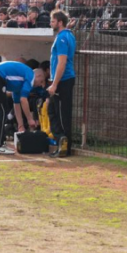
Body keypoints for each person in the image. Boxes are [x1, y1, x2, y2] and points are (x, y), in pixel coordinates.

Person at [0, 60, 42, 155]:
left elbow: (17, 103)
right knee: (2, 111)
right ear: (38, 76)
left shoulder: (19, 83)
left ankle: (1, 144)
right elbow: (24, 100)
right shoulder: (30, 75)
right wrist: (30, 119)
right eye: (41, 81)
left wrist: (21, 125)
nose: (40, 84)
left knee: (0, 110)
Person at [47, 10, 76, 158]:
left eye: (52, 21)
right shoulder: (68, 35)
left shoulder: (62, 38)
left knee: (60, 113)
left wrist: (54, 84)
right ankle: (63, 143)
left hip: (63, 80)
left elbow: (62, 62)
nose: (50, 23)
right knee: (53, 110)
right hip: (64, 79)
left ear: (59, 22)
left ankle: (64, 145)